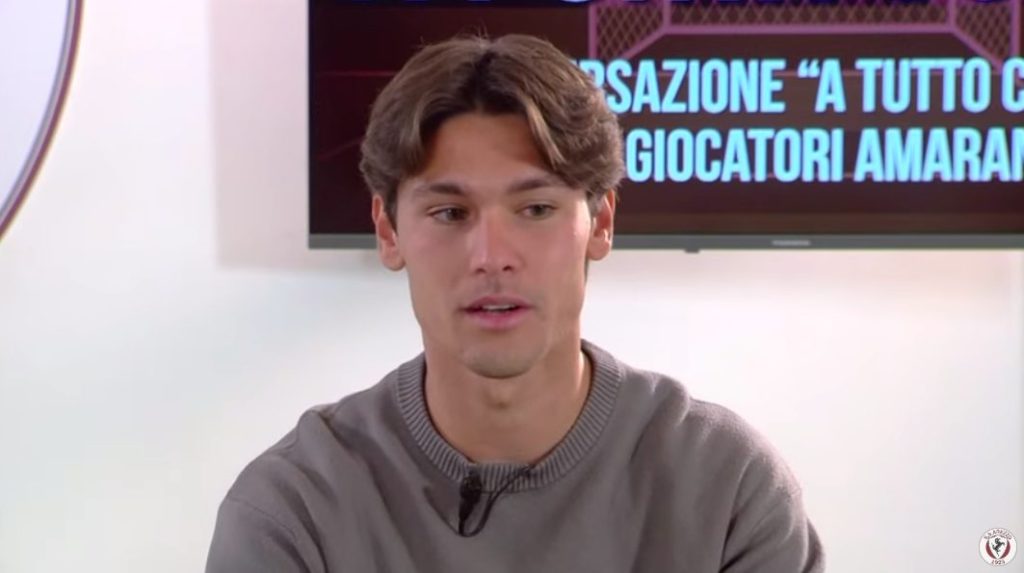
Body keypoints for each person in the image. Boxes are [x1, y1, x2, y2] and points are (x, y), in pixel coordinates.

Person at [205, 34, 824, 572]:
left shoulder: (727, 487)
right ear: (388, 231)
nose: (492, 256)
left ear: (602, 222)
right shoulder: (294, 508)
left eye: (536, 209)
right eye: (450, 213)